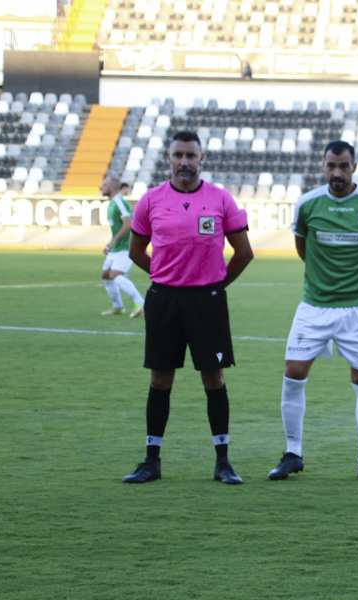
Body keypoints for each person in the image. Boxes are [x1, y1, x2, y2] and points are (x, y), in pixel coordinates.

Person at [122, 130, 254, 485]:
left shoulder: (220, 199)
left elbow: (244, 253)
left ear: (201, 159)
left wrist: (215, 285)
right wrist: (165, 277)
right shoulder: (151, 201)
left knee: (214, 378)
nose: (184, 162)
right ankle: (151, 461)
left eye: (190, 156)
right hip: (164, 299)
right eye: (178, 155)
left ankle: (223, 462)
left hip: (206, 300)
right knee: (160, 378)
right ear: (169, 158)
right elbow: (136, 251)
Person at [268, 140, 358, 483]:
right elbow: (302, 248)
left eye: (343, 165)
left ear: (354, 167)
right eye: (330, 166)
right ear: (323, 167)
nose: (336, 172)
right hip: (314, 307)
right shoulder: (308, 204)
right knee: (293, 373)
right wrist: (323, 281)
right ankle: (292, 453)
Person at [99, 176, 145, 317]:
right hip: (117, 248)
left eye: (105, 184)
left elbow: (128, 223)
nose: (102, 187)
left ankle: (139, 302)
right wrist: (112, 242)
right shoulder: (112, 203)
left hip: (126, 247)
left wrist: (113, 241)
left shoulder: (119, 202)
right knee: (106, 276)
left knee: (115, 275)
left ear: (113, 187)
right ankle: (118, 307)